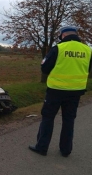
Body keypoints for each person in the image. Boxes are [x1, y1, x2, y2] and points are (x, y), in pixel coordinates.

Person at [29, 26, 92, 157]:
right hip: (76, 91)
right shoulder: (88, 50)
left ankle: (42, 147)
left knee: (48, 118)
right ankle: (66, 150)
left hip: (55, 91)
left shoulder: (59, 48)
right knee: (69, 120)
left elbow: (45, 68)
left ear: (63, 35)